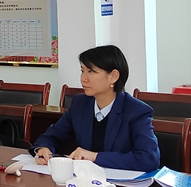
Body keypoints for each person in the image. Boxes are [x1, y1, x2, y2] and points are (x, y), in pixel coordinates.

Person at [32, 45, 160, 171]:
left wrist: (95, 157)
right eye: (82, 71)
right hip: (84, 179)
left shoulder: (137, 111)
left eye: (91, 71)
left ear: (113, 76)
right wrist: (43, 148)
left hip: (120, 182)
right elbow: (52, 136)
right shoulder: (80, 104)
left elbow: (149, 159)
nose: (83, 79)